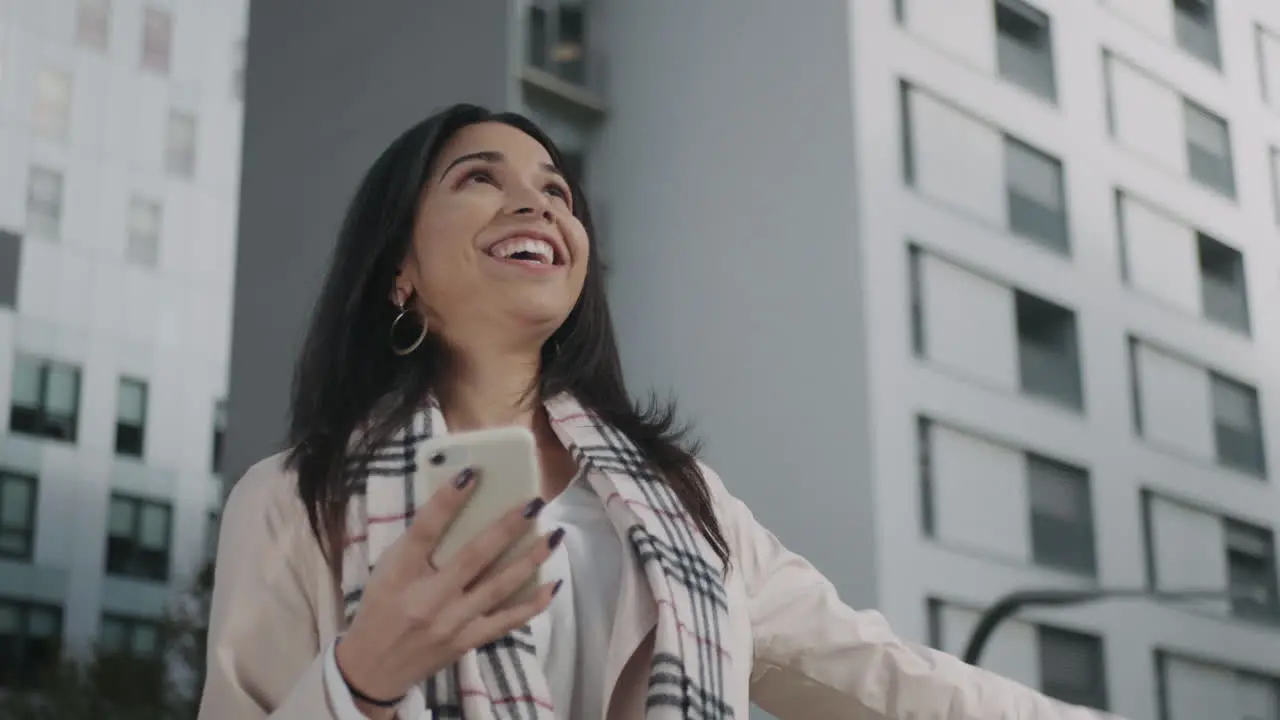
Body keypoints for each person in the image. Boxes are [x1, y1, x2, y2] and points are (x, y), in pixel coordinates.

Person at [199, 104, 1122, 720]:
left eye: (556, 189)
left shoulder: (685, 503)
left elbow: (880, 675)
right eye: (478, 177)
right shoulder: (294, 500)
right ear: (397, 269)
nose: (535, 198)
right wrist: (359, 681)